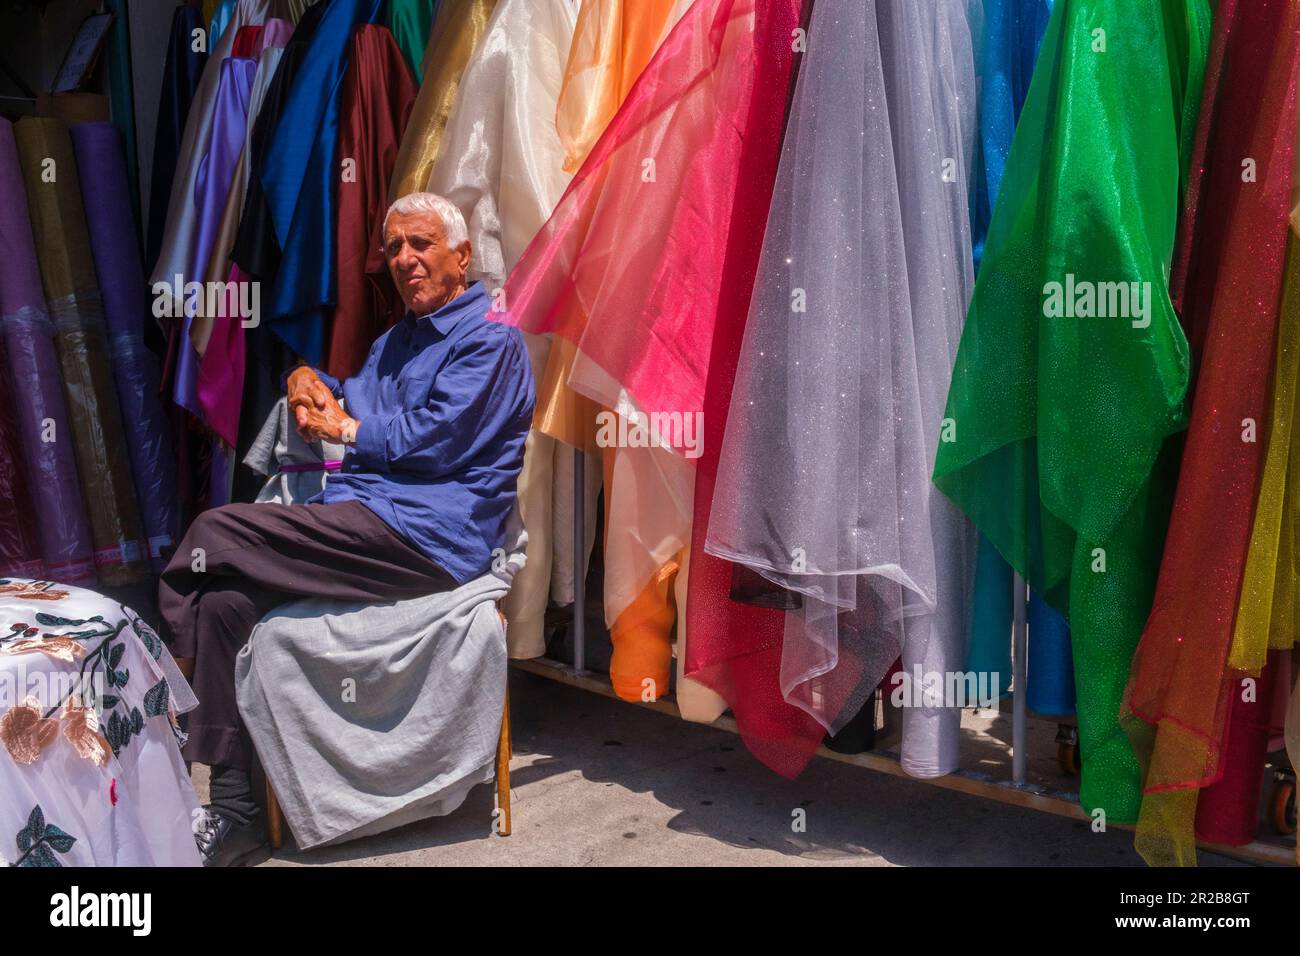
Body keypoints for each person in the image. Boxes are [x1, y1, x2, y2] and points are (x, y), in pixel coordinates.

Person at [159, 193, 535, 865]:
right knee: (222, 603)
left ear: (462, 255)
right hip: (363, 525)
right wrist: (307, 376)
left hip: (428, 541)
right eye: (393, 249)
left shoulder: (492, 342)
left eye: (420, 244)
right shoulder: (396, 343)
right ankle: (235, 812)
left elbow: (436, 441)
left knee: (213, 535)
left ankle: (159, 700)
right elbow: (347, 392)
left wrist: (346, 429)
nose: (404, 260)